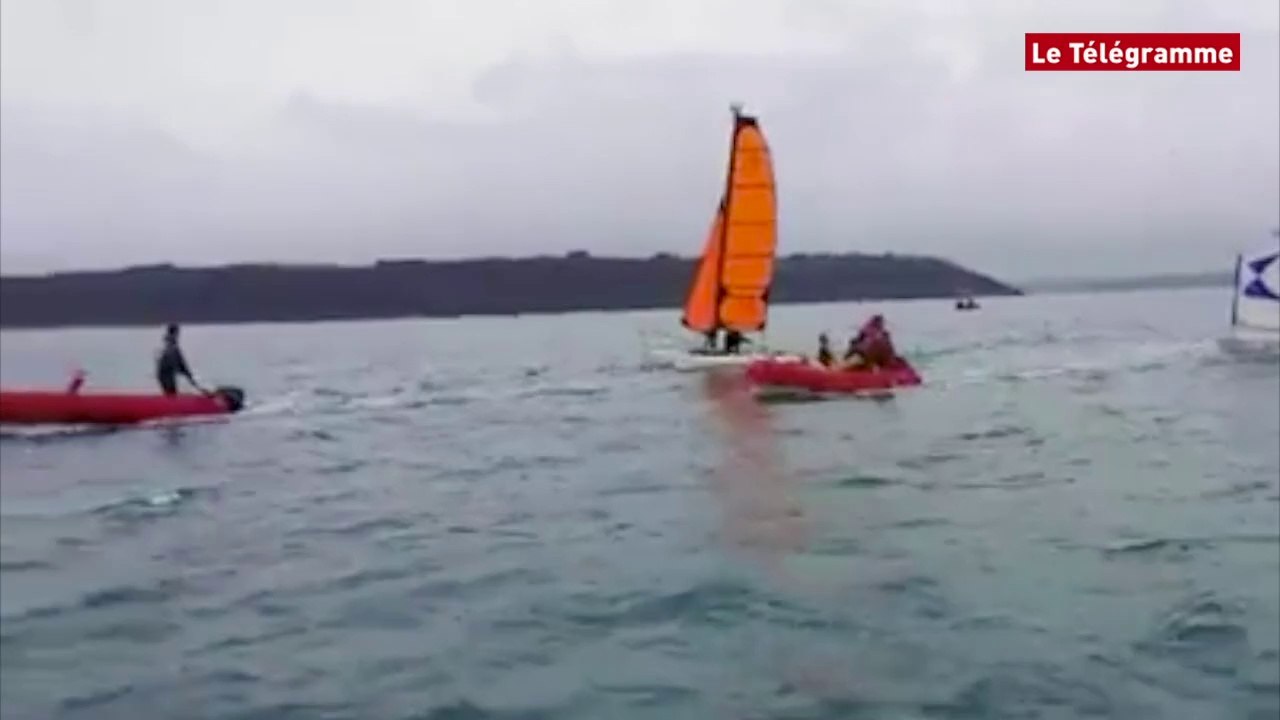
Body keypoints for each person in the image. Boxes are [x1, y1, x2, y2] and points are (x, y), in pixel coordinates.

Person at [156, 323, 204, 395]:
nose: (177, 336)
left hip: (166, 376)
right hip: (166, 376)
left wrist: (192, 380)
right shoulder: (171, 349)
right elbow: (181, 366)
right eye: (177, 333)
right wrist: (192, 380)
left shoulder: (169, 347)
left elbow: (182, 366)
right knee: (171, 394)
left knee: (170, 394)